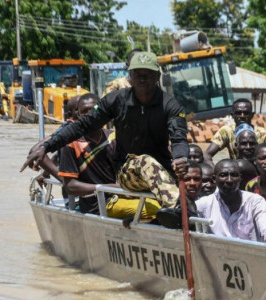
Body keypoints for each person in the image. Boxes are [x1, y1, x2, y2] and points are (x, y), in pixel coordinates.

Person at [21, 51, 190, 213]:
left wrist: (181, 157)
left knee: (193, 171)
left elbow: (179, 139)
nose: (142, 78)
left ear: (157, 77)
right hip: (127, 172)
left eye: (147, 74)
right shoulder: (115, 100)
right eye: (138, 74)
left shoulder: (170, 105)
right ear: (130, 77)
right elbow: (82, 126)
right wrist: (47, 146)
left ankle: (190, 215)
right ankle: (180, 210)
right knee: (145, 161)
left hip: (162, 170)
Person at [196, 159, 266, 243]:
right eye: (223, 175)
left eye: (234, 175)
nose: (229, 180)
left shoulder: (255, 202)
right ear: (214, 179)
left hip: (251, 254)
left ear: (240, 178)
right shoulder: (204, 205)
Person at [204, 99, 266, 163]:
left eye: (246, 113)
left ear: (252, 115)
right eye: (238, 113)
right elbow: (207, 154)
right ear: (232, 115)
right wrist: (213, 172)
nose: (242, 116)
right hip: (235, 173)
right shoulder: (226, 131)